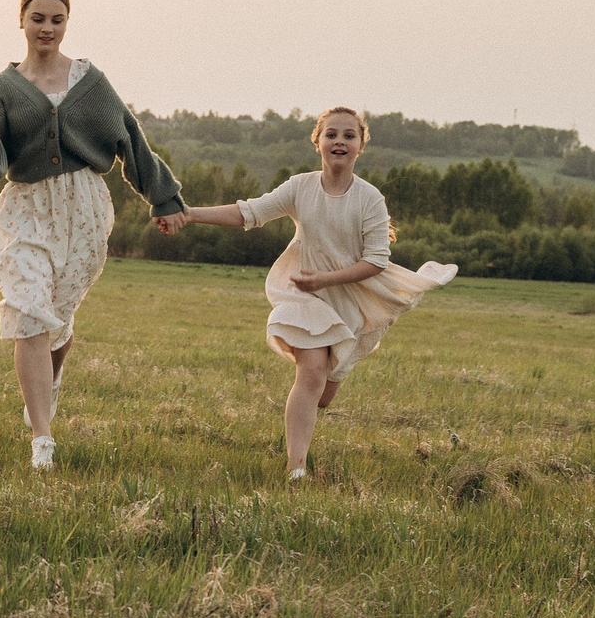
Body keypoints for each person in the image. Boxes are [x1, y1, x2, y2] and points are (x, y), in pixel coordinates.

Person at [0, 0, 187, 470]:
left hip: (84, 209)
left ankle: (49, 379)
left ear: (67, 23)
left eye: (57, 19)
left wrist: (164, 198)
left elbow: (131, 137)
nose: (47, 27)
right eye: (38, 18)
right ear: (21, 20)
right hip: (26, 207)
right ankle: (41, 440)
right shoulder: (2, 89)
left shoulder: (90, 82)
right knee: (27, 309)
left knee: (56, 319)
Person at [172, 108, 457, 480]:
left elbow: (376, 261)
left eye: (349, 136)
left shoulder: (370, 199)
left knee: (322, 392)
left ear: (361, 146)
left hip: (351, 299)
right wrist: (189, 213)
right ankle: (297, 469)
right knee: (310, 373)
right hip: (302, 292)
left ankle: (320, 375)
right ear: (318, 142)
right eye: (332, 134)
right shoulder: (300, 187)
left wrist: (327, 278)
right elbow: (249, 213)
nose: (340, 140)